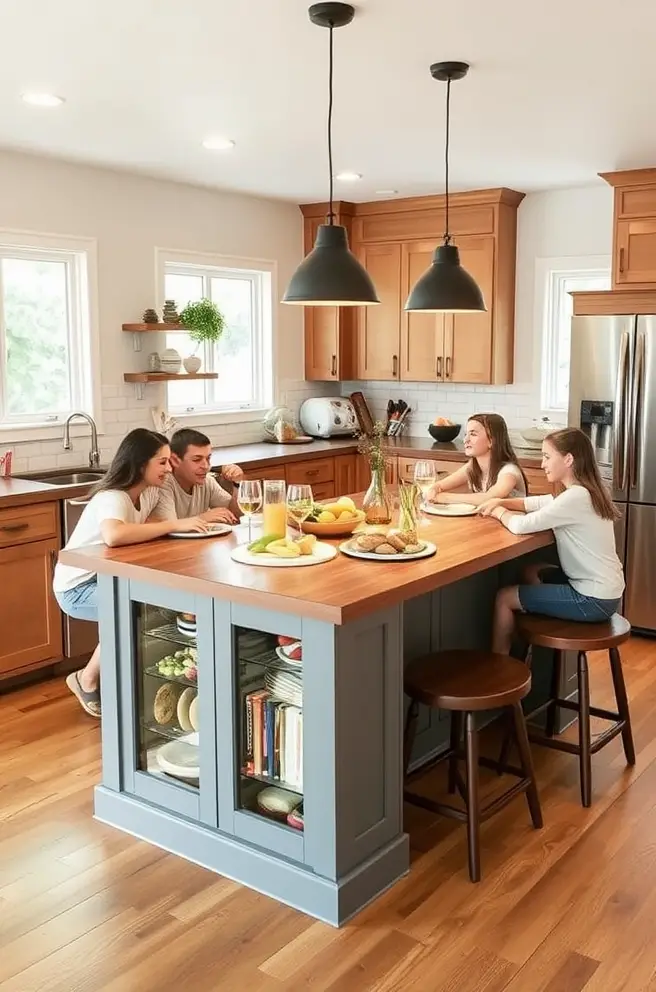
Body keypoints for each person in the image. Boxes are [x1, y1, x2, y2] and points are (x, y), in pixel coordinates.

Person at [53, 428, 210, 717]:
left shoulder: (150, 492)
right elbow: (115, 535)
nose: (169, 468)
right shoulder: (113, 496)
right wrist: (173, 525)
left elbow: (160, 525)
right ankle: (87, 679)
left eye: (169, 461)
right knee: (134, 610)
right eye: (162, 462)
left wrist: (169, 522)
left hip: (107, 578)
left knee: (153, 607)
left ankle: (140, 688)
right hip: (77, 587)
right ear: (140, 464)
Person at [479, 427, 624, 654]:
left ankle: (499, 668)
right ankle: (529, 651)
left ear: (568, 459)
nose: (542, 464)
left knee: (504, 598)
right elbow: (540, 503)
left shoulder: (575, 497)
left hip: (591, 599)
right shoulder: (587, 491)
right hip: (606, 592)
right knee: (531, 571)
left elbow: (520, 526)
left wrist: (498, 512)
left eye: (547, 457)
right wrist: (501, 501)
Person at [428, 412, 527, 506]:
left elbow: (488, 498)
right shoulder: (473, 466)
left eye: (473, 434)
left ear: (491, 441)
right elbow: (440, 486)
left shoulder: (509, 472)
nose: (465, 440)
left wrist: (442, 498)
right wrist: (433, 490)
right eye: (466, 434)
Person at [155, 428, 244, 524]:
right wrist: (202, 519)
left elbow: (236, 515)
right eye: (197, 460)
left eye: (208, 458)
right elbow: (168, 527)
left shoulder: (207, 481)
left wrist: (237, 483)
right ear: (175, 460)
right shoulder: (162, 484)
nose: (206, 466)